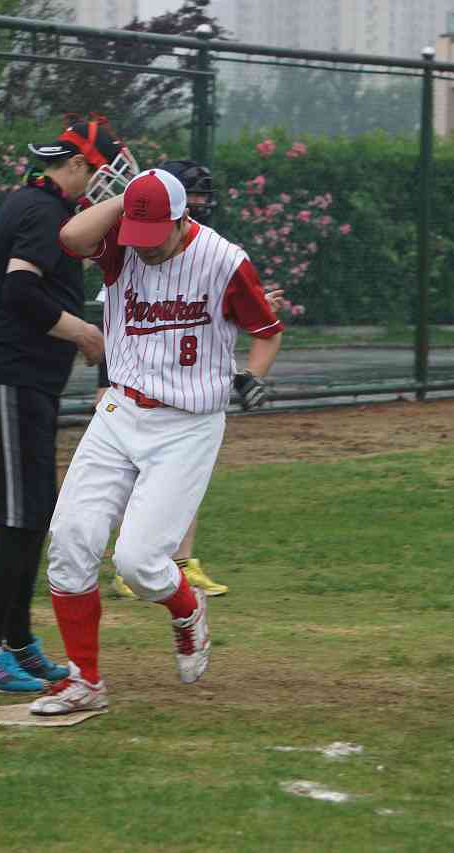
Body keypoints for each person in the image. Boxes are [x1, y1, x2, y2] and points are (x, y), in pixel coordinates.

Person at [31, 168, 284, 715]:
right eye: (135, 232)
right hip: (119, 411)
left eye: (154, 234)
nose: (142, 247)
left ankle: (186, 610)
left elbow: (266, 331)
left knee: (140, 563)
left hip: (187, 424)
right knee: (70, 541)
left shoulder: (223, 259)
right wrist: (130, 200)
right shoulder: (123, 245)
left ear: (182, 218)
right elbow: (71, 237)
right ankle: (85, 681)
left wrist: (253, 376)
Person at [0, 118, 138, 694]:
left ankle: (16, 643)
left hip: (25, 386)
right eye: (104, 173)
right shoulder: (43, 211)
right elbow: (19, 288)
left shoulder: (41, 206)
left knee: (34, 518)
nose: (109, 187)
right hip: (9, 383)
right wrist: (83, 333)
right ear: (78, 166)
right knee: (19, 522)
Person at [100, 160, 282, 600]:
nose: (200, 201)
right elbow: (119, 318)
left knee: (180, 485)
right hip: (128, 387)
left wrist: (251, 374)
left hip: (187, 399)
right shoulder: (132, 251)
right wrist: (105, 383)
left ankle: (178, 562)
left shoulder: (217, 255)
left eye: (203, 194)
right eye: (192, 193)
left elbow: (258, 327)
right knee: (131, 484)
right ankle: (132, 565)